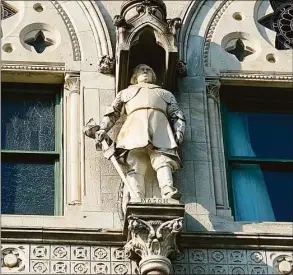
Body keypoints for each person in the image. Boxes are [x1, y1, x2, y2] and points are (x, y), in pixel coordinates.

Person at [96, 64, 185, 201]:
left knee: (163, 160)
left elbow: (176, 114)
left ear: (153, 76)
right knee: (135, 163)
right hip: (134, 127)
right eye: (140, 70)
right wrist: (103, 128)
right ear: (134, 76)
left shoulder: (165, 94)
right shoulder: (125, 93)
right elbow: (113, 112)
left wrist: (179, 130)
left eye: (148, 70)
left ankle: (167, 190)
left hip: (159, 126)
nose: (145, 71)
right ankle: (136, 196)